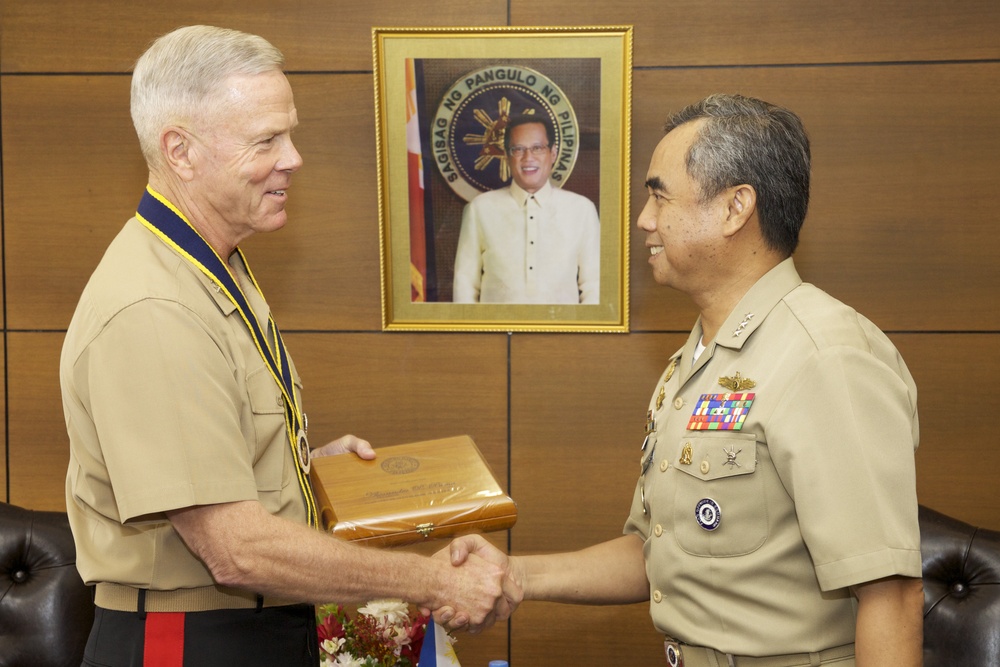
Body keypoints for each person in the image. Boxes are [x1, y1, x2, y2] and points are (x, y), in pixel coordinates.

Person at [60, 25, 509, 666]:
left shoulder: (213, 265)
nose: (294, 157)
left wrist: (302, 471)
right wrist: (435, 582)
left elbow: (213, 458)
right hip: (191, 644)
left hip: (249, 630)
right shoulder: (155, 309)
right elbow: (234, 549)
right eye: (266, 140)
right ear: (180, 152)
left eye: (289, 134)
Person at [444, 94, 924, 665]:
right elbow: (658, 555)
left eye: (659, 195)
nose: (645, 219)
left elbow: (890, 597)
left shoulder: (825, 356)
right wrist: (515, 574)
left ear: (734, 208)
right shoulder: (696, 361)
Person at [452, 114, 601, 304]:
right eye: (518, 149)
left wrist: (578, 334)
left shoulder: (581, 210)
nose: (528, 158)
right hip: (496, 331)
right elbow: (465, 286)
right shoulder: (480, 209)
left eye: (537, 148)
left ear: (553, 153)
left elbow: (594, 286)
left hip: (563, 331)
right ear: (507, 155)